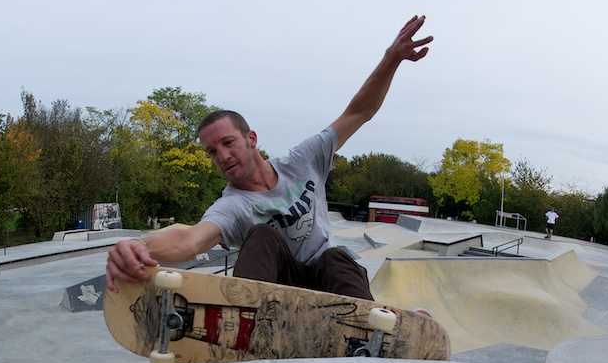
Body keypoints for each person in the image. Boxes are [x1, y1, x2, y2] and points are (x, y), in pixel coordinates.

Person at [105, 15, 433, 301]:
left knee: (337, 258)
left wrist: (391, 58)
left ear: (251, 139)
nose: (223, 155)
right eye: (212, 152)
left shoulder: (304, 159)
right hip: (276, 293)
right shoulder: (232, 206)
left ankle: (370, 331)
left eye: (228, 143)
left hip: (329, 285)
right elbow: (191, 240)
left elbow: (360, 111)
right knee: (261, 234)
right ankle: (248, 321)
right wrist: (141, 248)